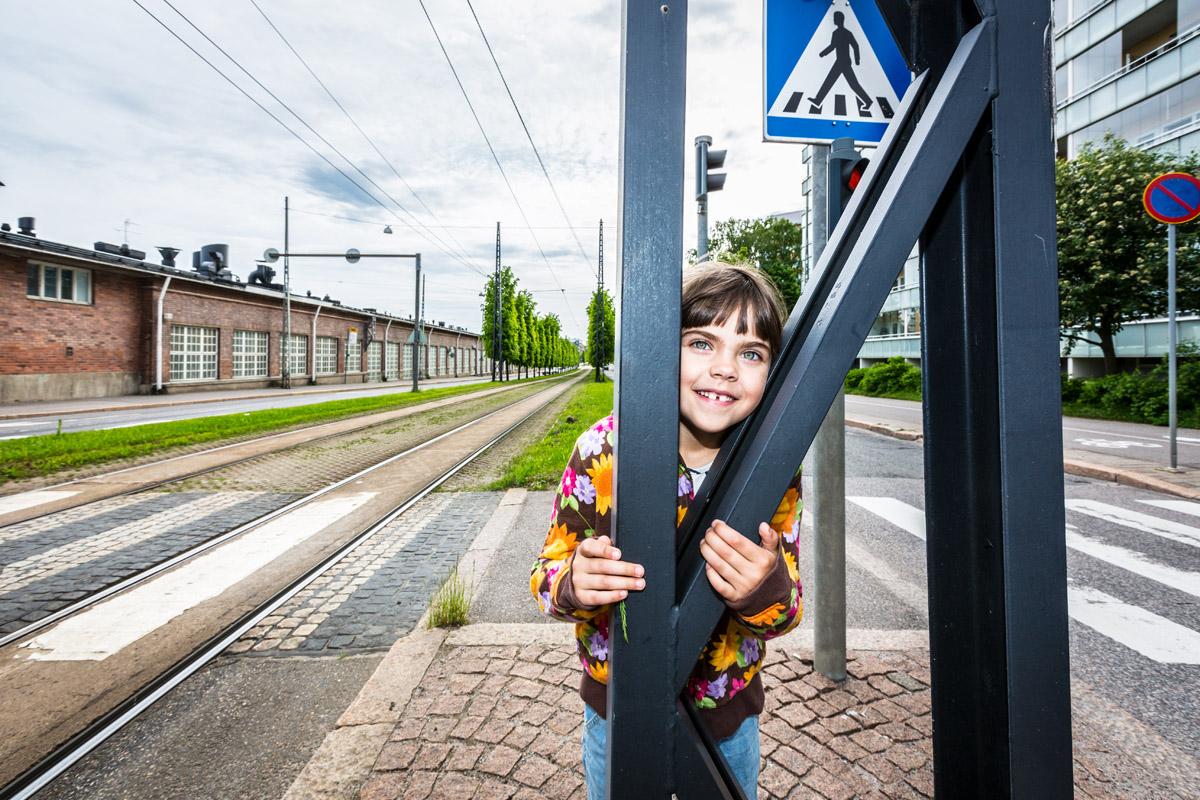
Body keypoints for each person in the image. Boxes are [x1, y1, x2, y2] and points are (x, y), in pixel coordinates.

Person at [530, 261, 804, 799]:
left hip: (728, 717)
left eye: (750, 353)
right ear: (662, 349)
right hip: (618, 714)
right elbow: (546, 578)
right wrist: (574, 584)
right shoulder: (602, 452)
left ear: (771, 372)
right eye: (701, 342)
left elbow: (787, 609)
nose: (725, 368)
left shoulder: (774, 467)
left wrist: (763, 588)